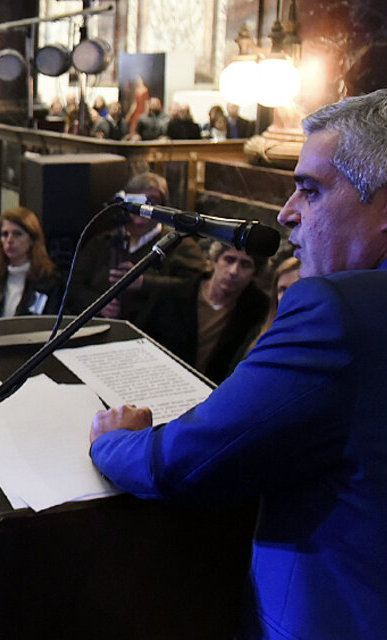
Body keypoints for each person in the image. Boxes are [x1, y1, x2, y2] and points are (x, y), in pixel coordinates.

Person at [89, 89, 387, 639]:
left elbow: (183, 461)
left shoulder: (340, 312)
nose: (286, 212)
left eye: (310, 189)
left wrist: (114, 440)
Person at [67, 172, 206, 321]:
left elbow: (191, 287)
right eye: (137, 200)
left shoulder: (181, 245)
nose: (143, 207)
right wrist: (97, 304)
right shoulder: (103, 242)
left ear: (163, 206)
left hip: (153, 331)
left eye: (151, 201)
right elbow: (74, 286)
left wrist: (143, 283)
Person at [134, 241, 269, 383]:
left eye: (245, 264)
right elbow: (140, 338)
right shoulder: (173, 293)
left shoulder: (257, 309)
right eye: (229, 259)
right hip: (160, 380)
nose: (233, 271)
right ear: (215, 260)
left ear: (255, 272)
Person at [0, 207, 63, 320]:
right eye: (5, 234)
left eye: (17, 234)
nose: (10, 240)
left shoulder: (49, 282)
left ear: (32, 239)